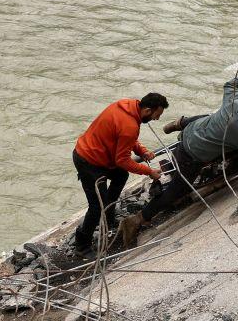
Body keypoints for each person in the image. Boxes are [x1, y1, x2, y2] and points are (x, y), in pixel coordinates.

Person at [118, 68, 238, 245]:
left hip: (192, 130)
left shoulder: (235, 99)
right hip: (192, 155)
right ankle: (138, 219)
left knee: (214, 116)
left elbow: (230, 83)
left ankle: (182, 122)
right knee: (177, 191)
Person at [71, 92, 168, 251]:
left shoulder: (127, 106)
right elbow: (122, 160)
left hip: (98, 155)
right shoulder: (129, 125)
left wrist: (141, 151)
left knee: (121, 175)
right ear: (147, 110)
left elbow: (125, 138)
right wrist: (149, 171)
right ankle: (82, 244)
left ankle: (108, 217)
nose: (156, 119)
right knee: (96, 206)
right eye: (156, 115)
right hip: (88, 161)